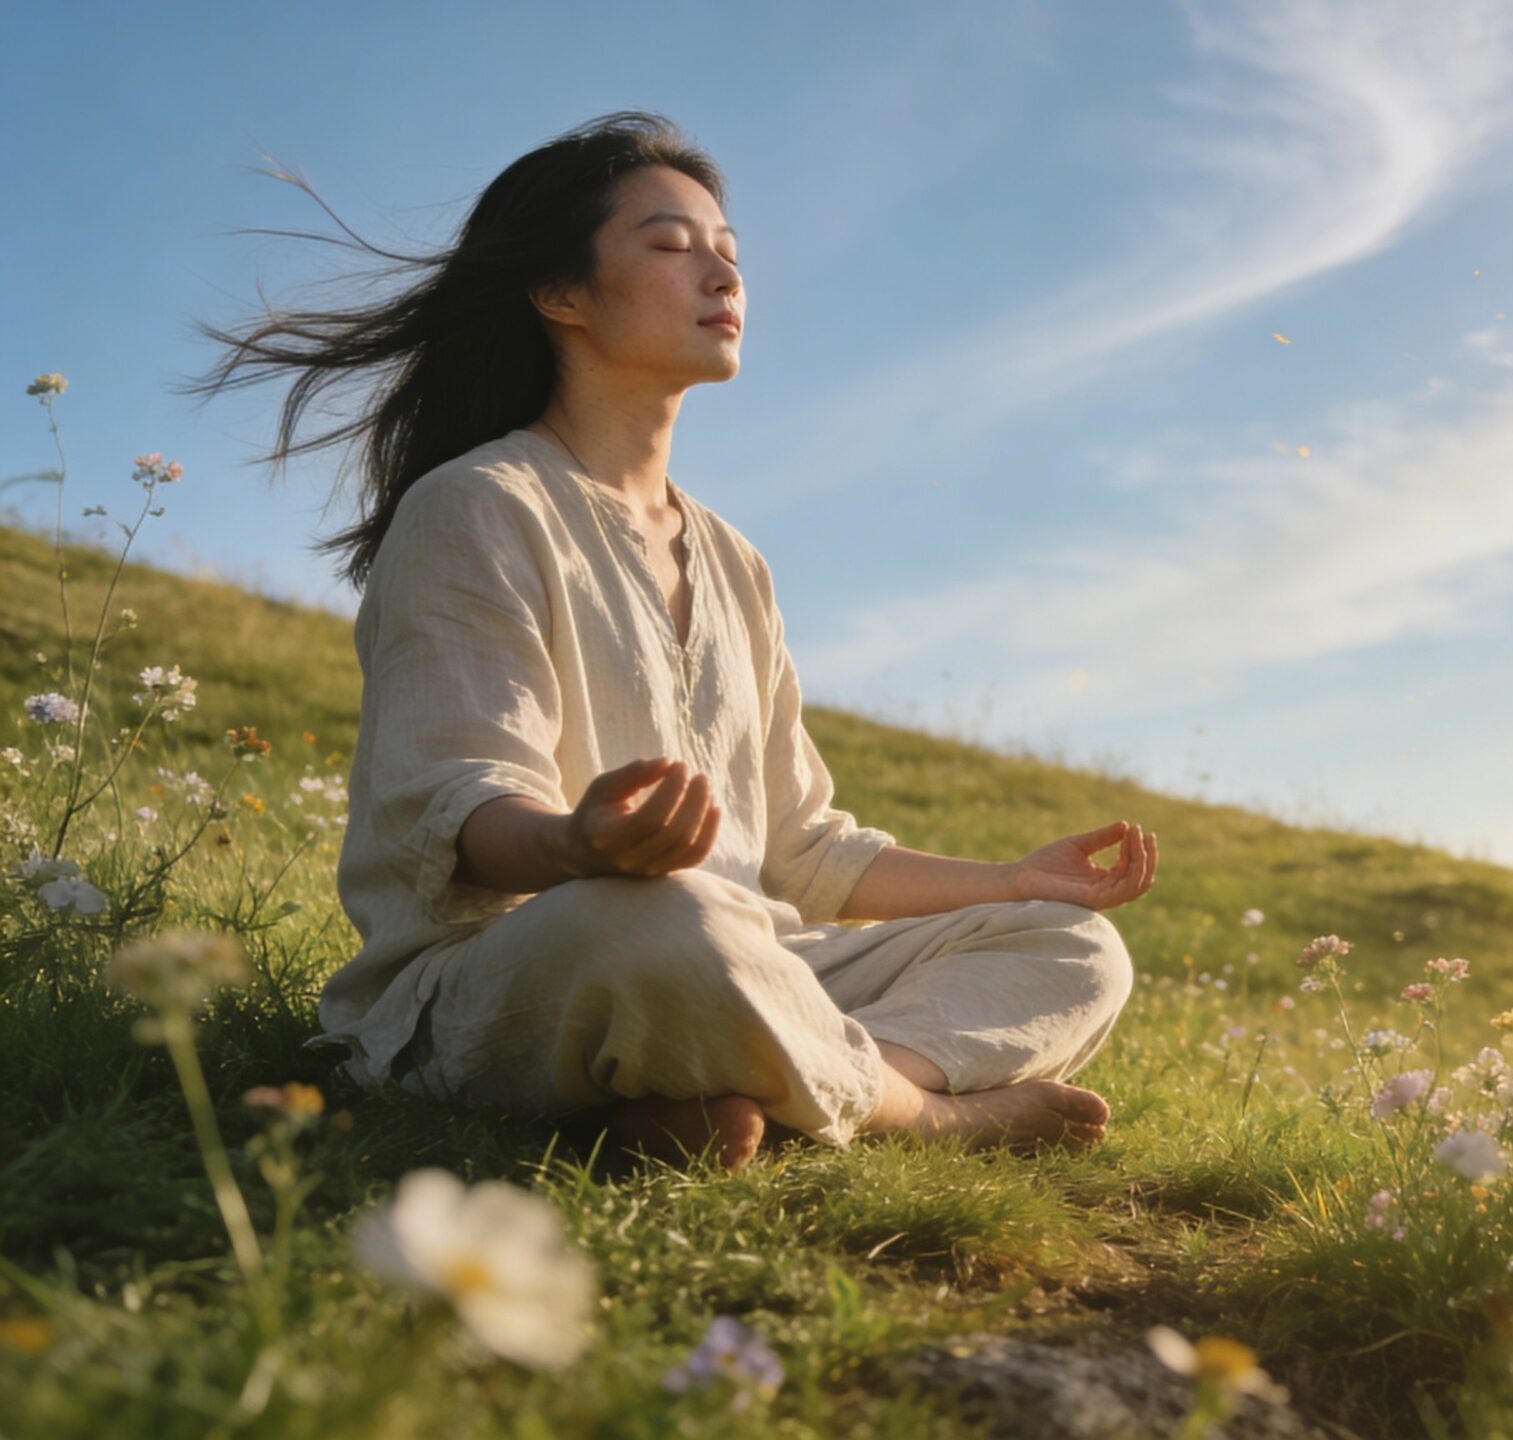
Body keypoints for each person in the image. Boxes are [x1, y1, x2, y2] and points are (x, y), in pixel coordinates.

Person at [181, 112, 1154, 1173]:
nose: (722, 275)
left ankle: (719, 1086)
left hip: (752, 958)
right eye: (670, 245)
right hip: (531, 965)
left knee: (1072, 948)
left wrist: (1013, 881)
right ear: (561, 295)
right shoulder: (475, 505)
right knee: (668, 922)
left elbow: (804, 850)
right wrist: (577, 849)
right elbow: (452, 803)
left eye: (730, 253)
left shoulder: (736, 560)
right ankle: (924, 1114)